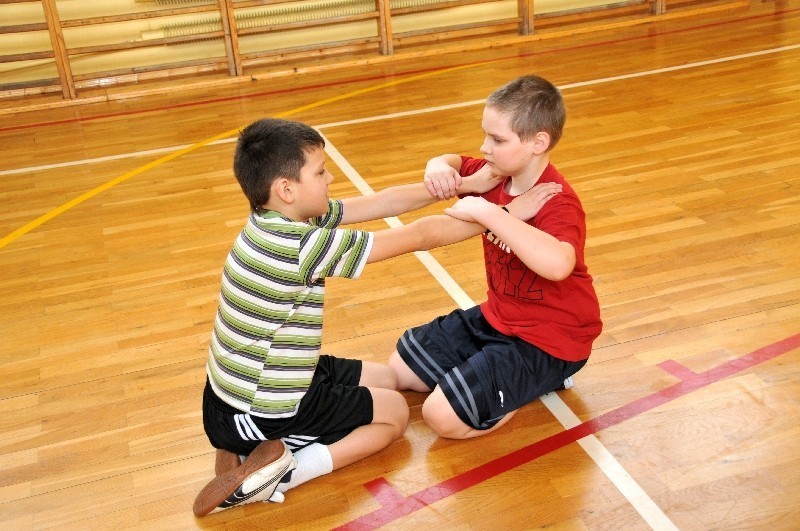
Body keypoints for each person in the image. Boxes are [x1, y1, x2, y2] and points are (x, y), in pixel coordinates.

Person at [194, 117, 513, 516]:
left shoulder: (277, 219)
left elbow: (383, 202)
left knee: (387, 379)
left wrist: (466, 185)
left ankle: (248, 451)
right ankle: (287, 469)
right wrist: (503, 216)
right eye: (321, 171)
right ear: (286, 188)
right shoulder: (300, 245)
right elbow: (418, 236)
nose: (329, 179)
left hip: (246, 389)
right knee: (394, 417)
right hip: (260, 407)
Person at [388, 74, 603, 440]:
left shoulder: (556, 199)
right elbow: (454, 160)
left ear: (538, 143)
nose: (485, 147)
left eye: (498, 139)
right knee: (402, 369)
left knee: (442, 418)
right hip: (499, 317)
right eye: (486, 135)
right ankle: (493, 374)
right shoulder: (495, 173)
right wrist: (437, 164)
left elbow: (558, 264)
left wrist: (489, 214)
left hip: (551, 339)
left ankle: (533, 384)